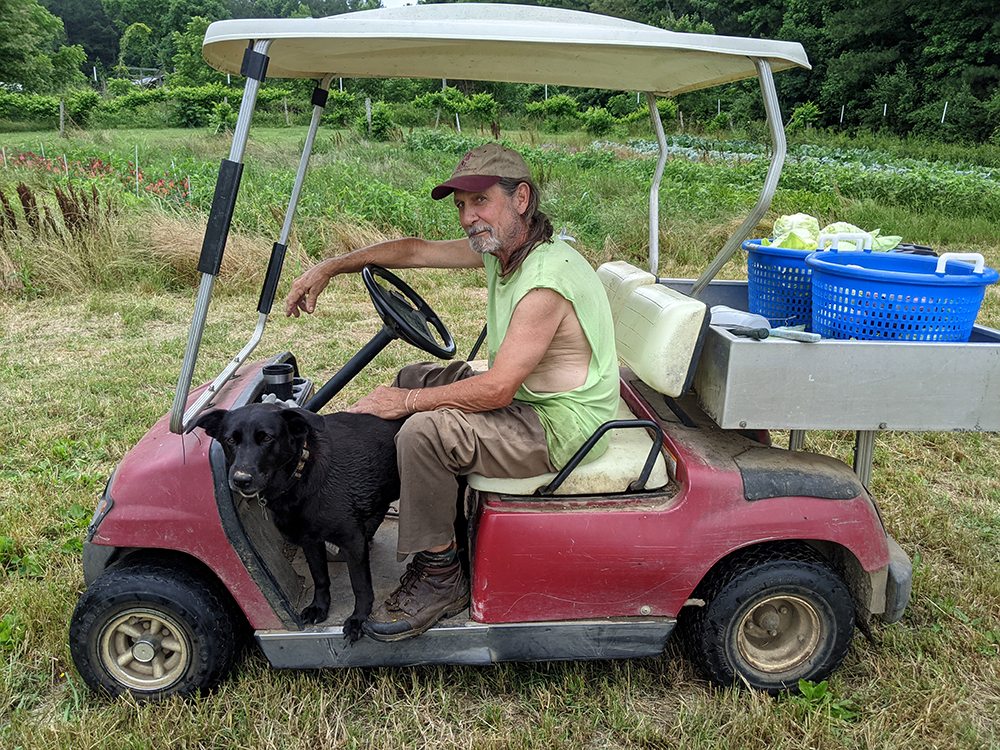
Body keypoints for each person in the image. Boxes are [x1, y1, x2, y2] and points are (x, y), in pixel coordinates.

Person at [284, 143, 619, 641]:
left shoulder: (544, 279)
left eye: (479, 201)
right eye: (461, 206)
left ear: (521, 198)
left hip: (561, 424)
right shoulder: (506, 248)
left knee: (423, 429)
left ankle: (441, 574)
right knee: (413, 378)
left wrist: (407, 405)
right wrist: (333, 265)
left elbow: (501, 388)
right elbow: (416, 250)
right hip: (531, 400)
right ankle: (368, 501)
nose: (467, 217)